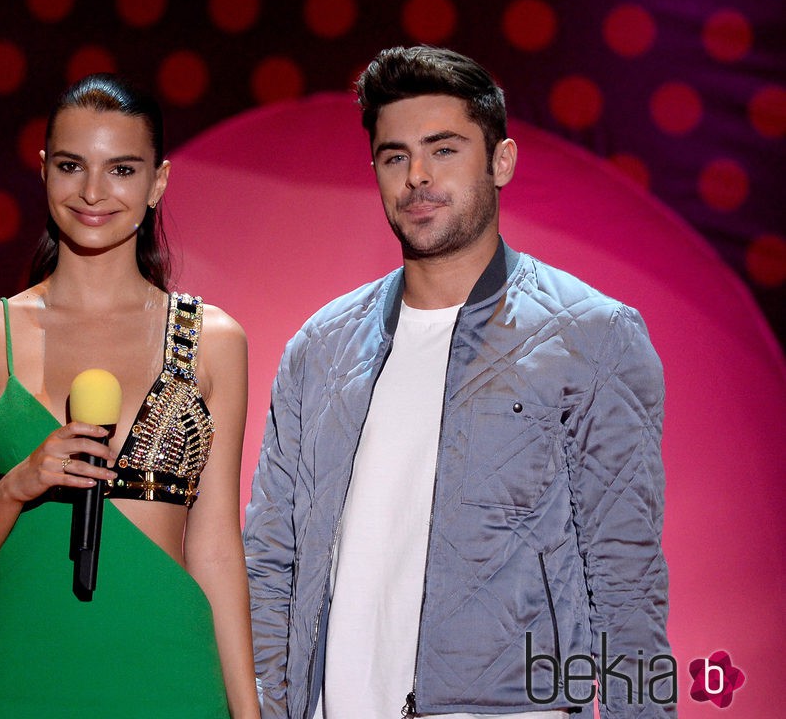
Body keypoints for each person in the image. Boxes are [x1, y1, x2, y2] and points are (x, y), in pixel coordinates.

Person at [244, 46, 674, 719]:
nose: (417, 176)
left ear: (500, 160)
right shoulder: (319, 350)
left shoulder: (592, 337)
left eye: (444, 150)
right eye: (395, 156)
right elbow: (270, 563)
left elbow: (625, 582)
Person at [0, 73, 259, 718]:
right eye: (71, 165)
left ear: (158, 182)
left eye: (122, 169)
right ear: (44, 170)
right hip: (24, 675)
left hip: (172, 675)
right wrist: (20, 483)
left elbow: (217, 548)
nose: (91, 192)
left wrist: (247, 711)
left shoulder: (212, 339)